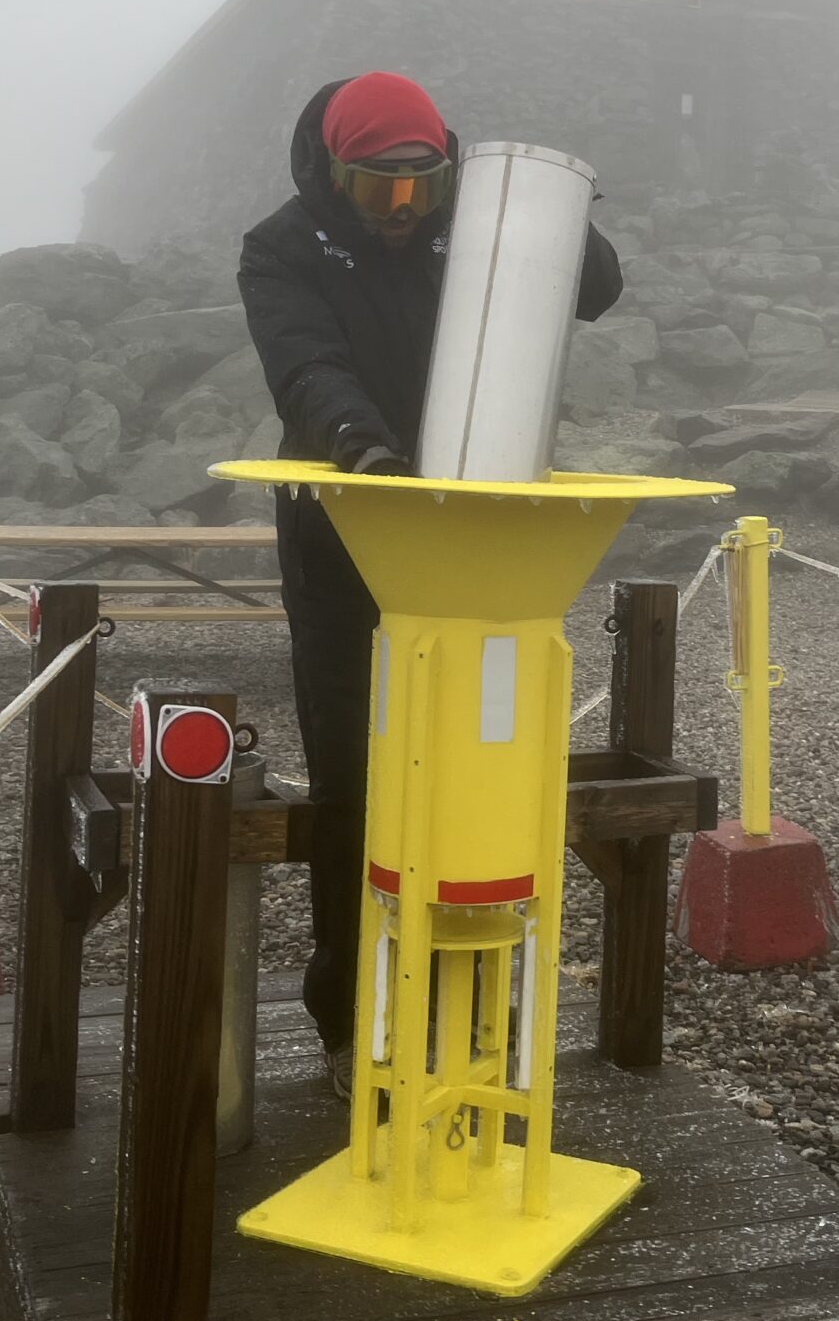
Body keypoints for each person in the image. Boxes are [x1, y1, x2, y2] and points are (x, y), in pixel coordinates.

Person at [237, 71, 624, 1097]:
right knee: (359, 780)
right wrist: (359, 445)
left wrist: (552, 212)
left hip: (477, 536)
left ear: (444, 168)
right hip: (346, 536)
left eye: (421, 188)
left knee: (478, 769)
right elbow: (304, 365)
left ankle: (471, 1000)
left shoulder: (471, 213)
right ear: (334, 170)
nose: (403, 214)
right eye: (378, 193)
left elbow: (593, 291)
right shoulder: (281, 247)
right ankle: (348, 1015)